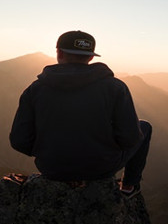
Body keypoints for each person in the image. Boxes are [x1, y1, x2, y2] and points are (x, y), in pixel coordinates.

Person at [9, 30, 152, 198]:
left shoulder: (35, 90)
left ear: (59, 53)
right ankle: (128, 186)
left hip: (52, 168)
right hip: (101, 168)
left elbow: (19, 140)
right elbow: (130, 137)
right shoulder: (115, 88)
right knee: (144, 127)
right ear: (91, 57)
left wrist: (50, 152)